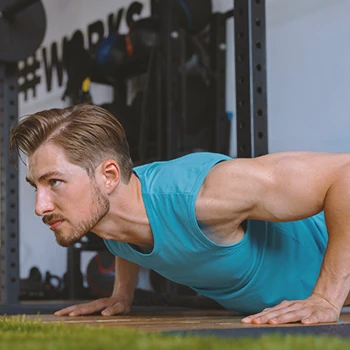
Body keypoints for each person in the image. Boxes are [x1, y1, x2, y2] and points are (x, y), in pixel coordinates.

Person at [9, 104, 350, 325]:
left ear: (109, 176)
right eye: (35, 186)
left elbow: (344, 174)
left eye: (54, 182)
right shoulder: (105, 214)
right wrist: (121, 295)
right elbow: (129, 233)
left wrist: (325, 298)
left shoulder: (206, 195)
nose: (41, 206)